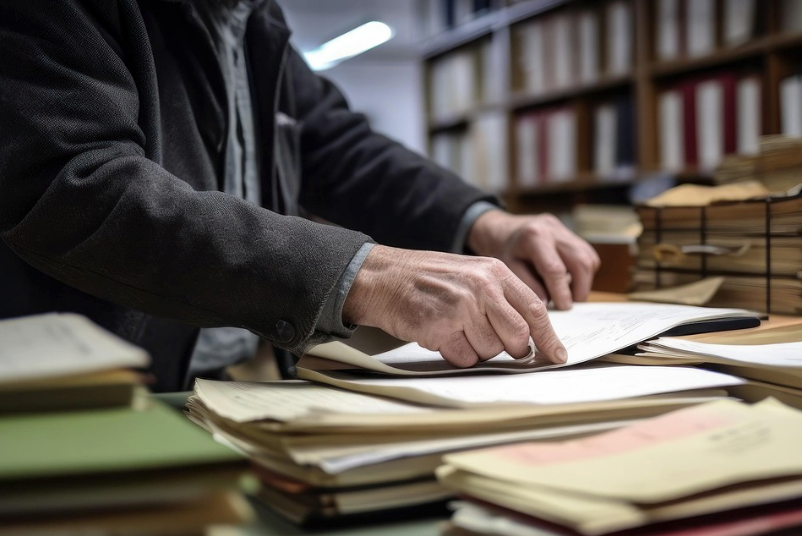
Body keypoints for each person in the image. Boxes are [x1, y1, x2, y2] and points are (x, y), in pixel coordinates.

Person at [0, 0, 600, 391]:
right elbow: (77, 187)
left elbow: (339, 148)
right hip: (84, 396)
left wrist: (484, 221)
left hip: (233, 380)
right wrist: (364, 275)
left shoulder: (252, 21)